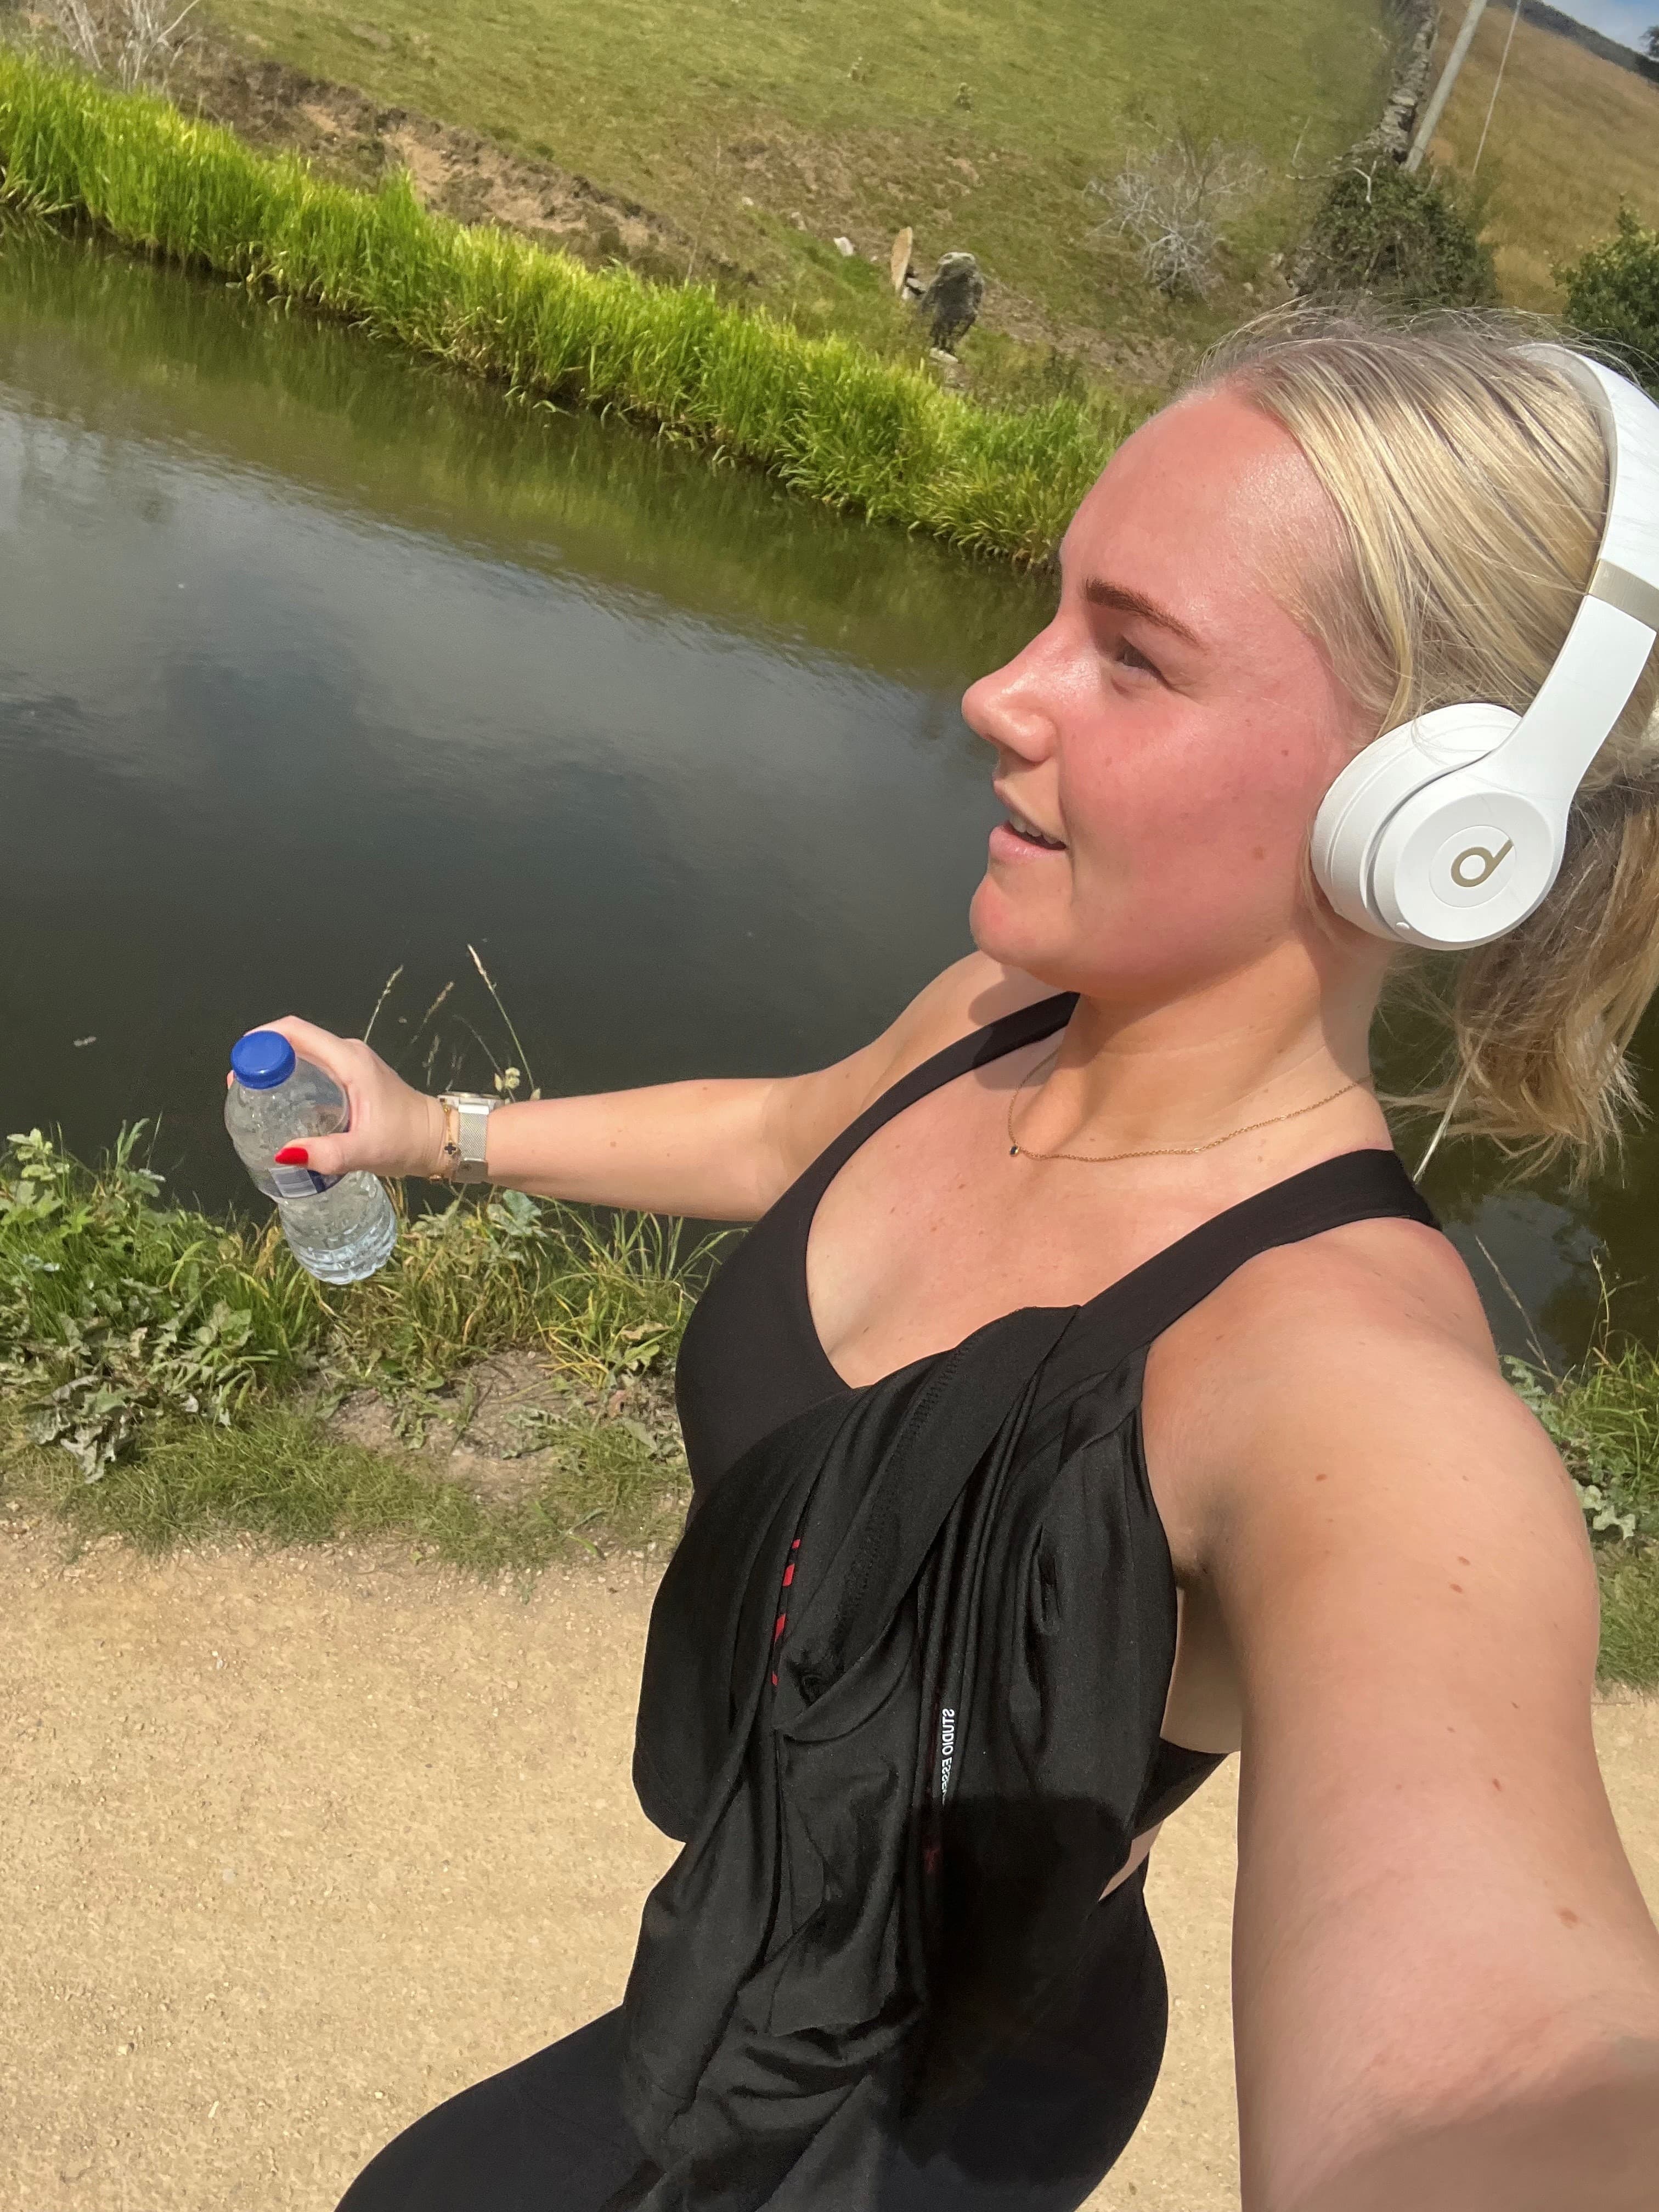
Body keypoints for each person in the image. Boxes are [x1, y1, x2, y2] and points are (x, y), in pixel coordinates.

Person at [272, 312, 1659, 2210]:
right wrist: (441, 1135)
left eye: (1132, 656)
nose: (997, 696)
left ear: (1433, 821)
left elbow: (1504, 2062)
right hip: (742, 1938)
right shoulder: (1002, 1007)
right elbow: (789, 1137)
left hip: (954, 2091)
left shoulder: (1354, 1392)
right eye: (1049, 608)